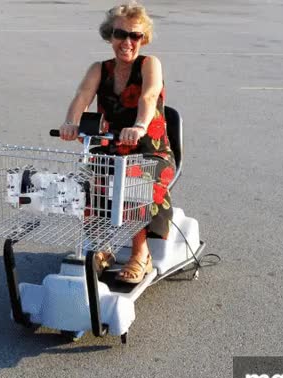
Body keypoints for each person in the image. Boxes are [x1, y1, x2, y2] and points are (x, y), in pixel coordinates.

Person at [59, 1, 175, 284]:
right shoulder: (100, 69)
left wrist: (138, 126)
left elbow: (148, 97)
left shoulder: (150, 65)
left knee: (133, 179)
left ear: (143, 39)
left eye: (134, 36)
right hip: (112, 147)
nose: (127, 42)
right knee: (90, 175)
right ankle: (101, 246)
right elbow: (82, 96)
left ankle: (140, 253)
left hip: (150, 151)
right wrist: (70, 123)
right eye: (120, 34)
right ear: (109, 35)